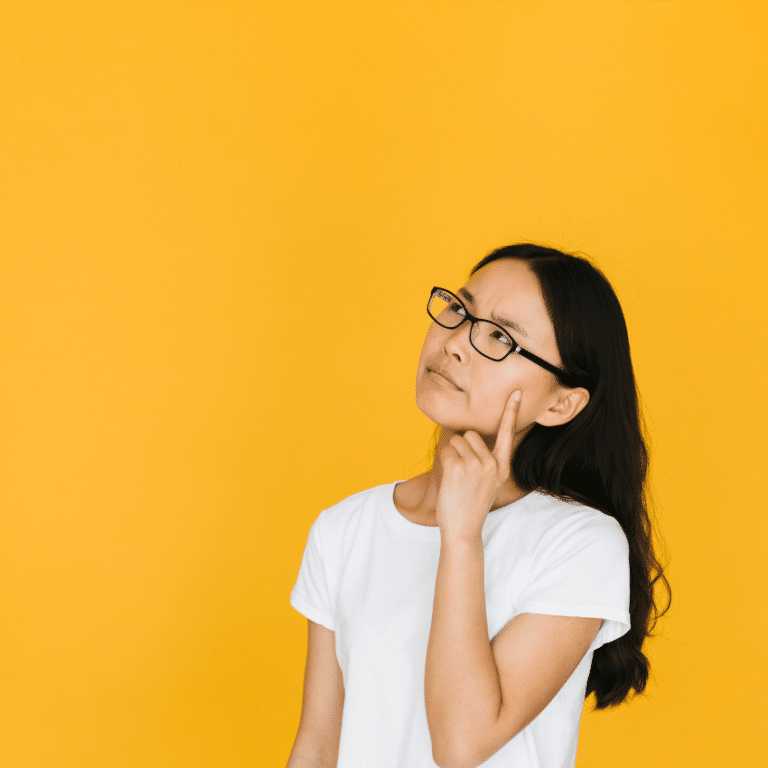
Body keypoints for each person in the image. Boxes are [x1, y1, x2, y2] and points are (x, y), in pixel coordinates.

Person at [286, 243, 671, 768]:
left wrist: (462, 536)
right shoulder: (345, 528)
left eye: (500, 337)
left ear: (561, 403)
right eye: (459, 309)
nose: (456, 344)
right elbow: (318, 745)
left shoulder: (580, 543)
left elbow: (462, 743)